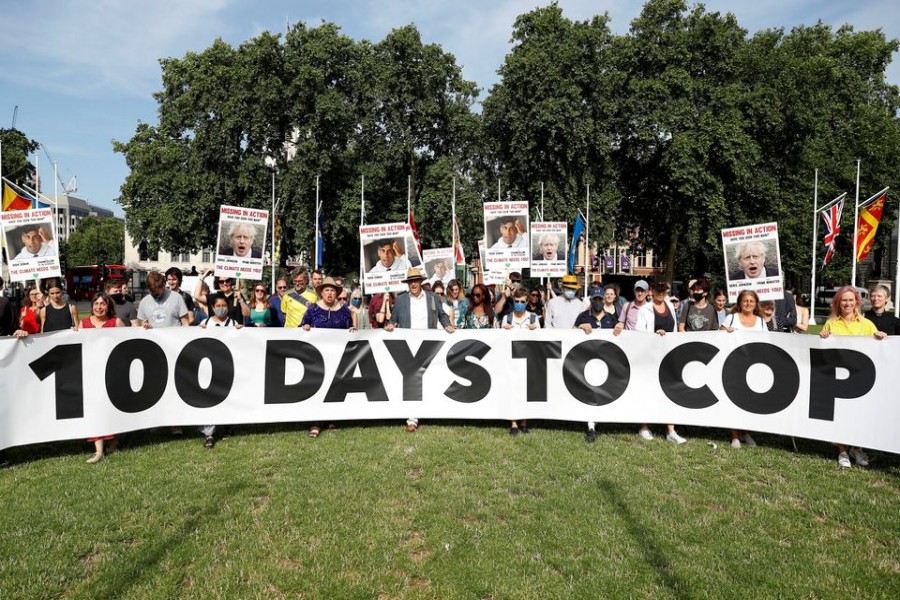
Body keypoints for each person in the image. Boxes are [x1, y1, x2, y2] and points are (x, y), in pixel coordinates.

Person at [820, 286, 887, 467]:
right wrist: (823, 338)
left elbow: (877, 348)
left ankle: (856, 449)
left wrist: (880, 338)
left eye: (851, 300)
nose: (847, 303)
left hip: (861, 377)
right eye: (843, 300)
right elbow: (823, 351)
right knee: (840, 415)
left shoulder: (867, 325)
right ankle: (842, 452)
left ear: (857, 302)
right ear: (838, 303)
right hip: (839, 377)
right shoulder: (831, 324)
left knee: (860, 416)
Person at [386, 268, 455, 432]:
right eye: (411, 281)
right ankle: (412, 418)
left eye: (416, 280)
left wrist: (447, 325)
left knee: (430, 378)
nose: (414, 284)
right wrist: (390, 325)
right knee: (412, 381)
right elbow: (393, 319)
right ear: (408, 283)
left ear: (421, 282)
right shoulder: (401, 300)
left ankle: (430, 411)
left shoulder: (432, 297)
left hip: (428, 344)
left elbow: (442, 315)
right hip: (408, 346)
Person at [300, 276, 356, 437]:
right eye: (326, 290)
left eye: (332, 290)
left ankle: (332, 418)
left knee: (335, 387)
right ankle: (316, 422)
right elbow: (301, 328)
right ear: (321, 292)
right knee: (318, 387)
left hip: (337, 356)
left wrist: (352, 330)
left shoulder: (344, 310)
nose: (330, 293)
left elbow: (350, 327)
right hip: (317, 357)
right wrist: (306, 326)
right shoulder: (313, 309)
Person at [634, 281, 687, 444]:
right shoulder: (644, 310)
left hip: (668, 355)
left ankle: (670, 430)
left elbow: (675, 330)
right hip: (650, 355)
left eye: (663, 290)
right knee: (648, 391)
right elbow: (639, 331)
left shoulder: (670, 306)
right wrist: (655, 335)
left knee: (669, 391)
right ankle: (644, 426)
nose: (660, 293)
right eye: (658, 290)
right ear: (652, 291)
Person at [81, 292, 125, 462]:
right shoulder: (84, 323)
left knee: (111, 408)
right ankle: (98, 451)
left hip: (112, 372)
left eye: (103, 304)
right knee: (94, 409)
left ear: (109, 306)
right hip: (91, 373)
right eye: (96, 303)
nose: (99, 307)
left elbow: (129, 341)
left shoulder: (116, 323)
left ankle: (113, 440)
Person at [719, 290, 766, 447]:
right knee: (734, 401)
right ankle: (734, 435)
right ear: (739, 303)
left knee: (748, 402)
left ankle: (745, 432)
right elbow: (718, 338)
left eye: (751, 301)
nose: (748, 304)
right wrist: (726, 332)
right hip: (733, 365)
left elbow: (767, 343)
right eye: (745, 301)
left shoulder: (760, 322)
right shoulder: (731, 318)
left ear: (755, 303)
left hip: (753, 367)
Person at [198, 294, 243, 448]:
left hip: (227, 368)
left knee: (227, 398)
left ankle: (227, 427)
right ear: (212, 307)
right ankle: (209, 434)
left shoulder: (233, 323)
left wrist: (241, 332)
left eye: (224, 306)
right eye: (218, 306)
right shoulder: (205, 323)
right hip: (209, 369)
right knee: (208, 400)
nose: (221, 309)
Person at [499, 287, 540, 435]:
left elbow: (541, 341)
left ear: (527, 302)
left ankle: (524, 422)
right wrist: (505, 330)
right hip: (512, 360)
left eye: (522, 302)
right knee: (513, 390)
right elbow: (500, 340)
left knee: (526, 392)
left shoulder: (534, 318)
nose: (519, 304)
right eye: (516, 301)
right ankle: (514, 423)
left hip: (528, 360)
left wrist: (536, 330)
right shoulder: (507, 318)